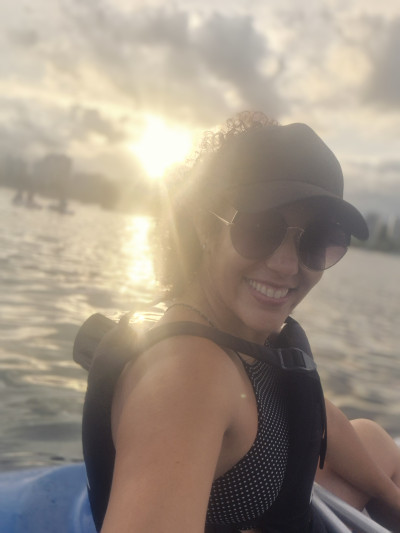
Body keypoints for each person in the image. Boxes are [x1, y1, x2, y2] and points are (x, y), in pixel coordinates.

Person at [81, 111, 400, 532]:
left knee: (373, 438)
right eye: (259, 227)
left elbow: (314, 413)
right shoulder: (189, 377)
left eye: (318, 240)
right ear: (205, 226)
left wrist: (392, 499)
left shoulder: (239, 333)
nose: (287, 265)